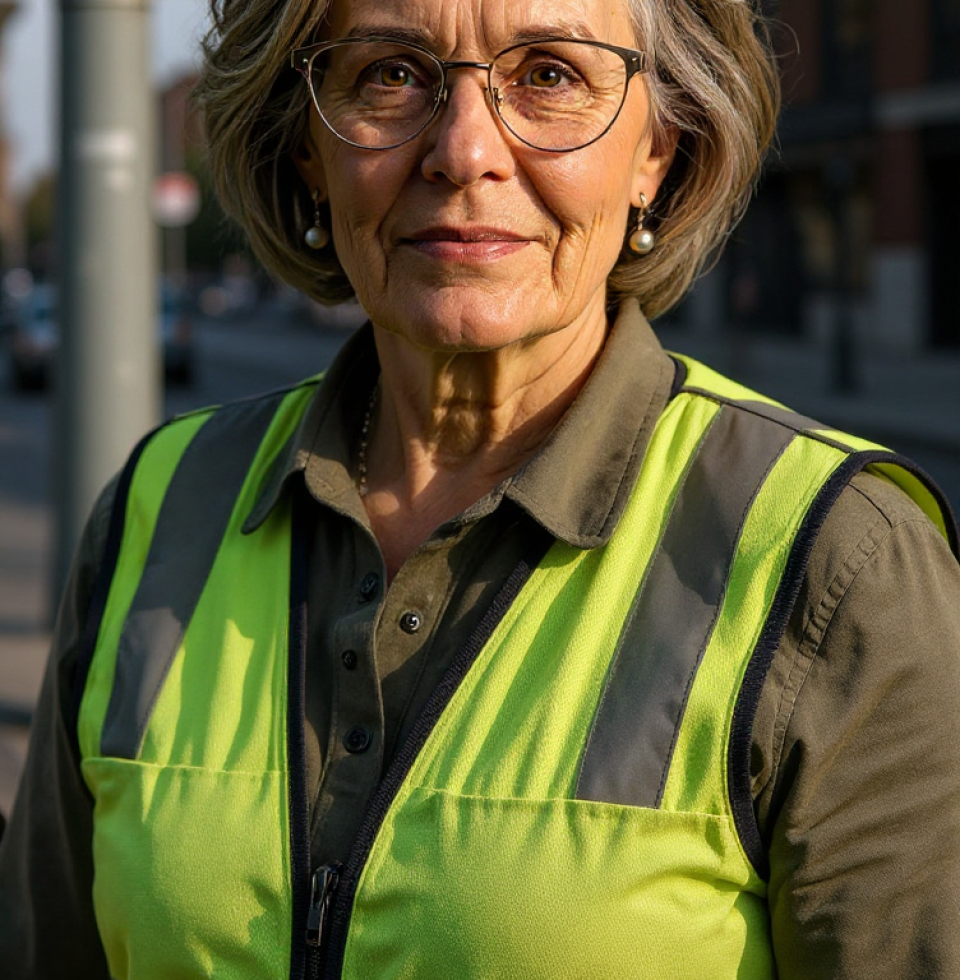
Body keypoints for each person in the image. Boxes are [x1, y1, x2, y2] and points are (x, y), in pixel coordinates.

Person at [2, 0, 959, 976]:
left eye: (549, 75)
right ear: (306, 149)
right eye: (390, 74)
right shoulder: (159, 505)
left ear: (658, 150)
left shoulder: (840, 561)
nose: (464, 153)